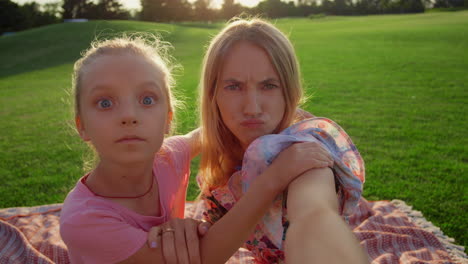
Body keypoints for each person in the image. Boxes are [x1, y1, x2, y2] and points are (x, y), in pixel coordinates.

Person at [195, 18, 369, 263]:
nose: (252, 108)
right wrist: (271, 181)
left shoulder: (301, 151)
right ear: (213, 96)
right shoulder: (221, 168)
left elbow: (314, 214)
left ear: (289, 92)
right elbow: (206, 257)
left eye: (269, 85)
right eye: (234, 86)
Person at [59, 36, 208, 264]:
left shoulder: (168, 159)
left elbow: (205, 134)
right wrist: (270, 181)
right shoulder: (82, 220)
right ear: (82, 126)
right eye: (105, 103)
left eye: (147, 99)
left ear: (168, 119)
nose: (129, 116)